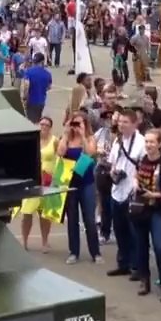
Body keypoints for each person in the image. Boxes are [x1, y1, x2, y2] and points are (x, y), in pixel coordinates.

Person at [132, 129, 161, 301]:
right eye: (147, 142)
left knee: (159, 247)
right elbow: (136, 175)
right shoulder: (142, 159)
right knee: (141, 245)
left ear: (160, 144)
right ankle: (145, 281)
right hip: (139, 208)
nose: (148, 145)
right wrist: (135, 182)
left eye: (152, 142)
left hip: (157, 210)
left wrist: (156, 195)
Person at [105, 109, 145, 280]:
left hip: (132, 193)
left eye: (125, 122)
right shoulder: (117, 141)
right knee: (119, 229)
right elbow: (112, 162)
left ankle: (137, 267)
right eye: (120, 121)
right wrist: (113, 172)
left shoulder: (142, 143)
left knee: (134, 231)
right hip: (117, 191)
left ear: (135, 124)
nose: (121, 125)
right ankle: (123, 264)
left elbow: (146, 168)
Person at [59, 110, 101, 265]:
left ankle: (95, 252)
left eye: (79, 123)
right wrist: (65, 133)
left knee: (89, 219)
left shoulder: (90, 138)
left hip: (87, 183)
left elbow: (90, 153)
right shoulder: (67, 139)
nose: (76, 126)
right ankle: (73, 252)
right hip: (70, 184)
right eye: (74, 123)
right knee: (72, 220)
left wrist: (82, 135)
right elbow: (60, 152)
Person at [18, 117, 59, 252]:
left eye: (47, 125)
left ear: (50, 127)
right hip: (32, 180)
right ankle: (24, 241)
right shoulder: (32, 140)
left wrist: (56, 178)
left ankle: (45, 242)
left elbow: (61, 158)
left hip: (47, 180)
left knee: (44, 214)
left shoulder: (54, 141)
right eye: (42, 124)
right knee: (27, 212)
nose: (44, 127)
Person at [21, 53, 53, 123]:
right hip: (41, 101)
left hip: (31, 101)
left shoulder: (28, 72)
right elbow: (49, 87)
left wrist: (24, 98)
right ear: (42, 62)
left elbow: (26, 86)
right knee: (37, 119)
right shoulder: (47, 74)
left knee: (30, 122)